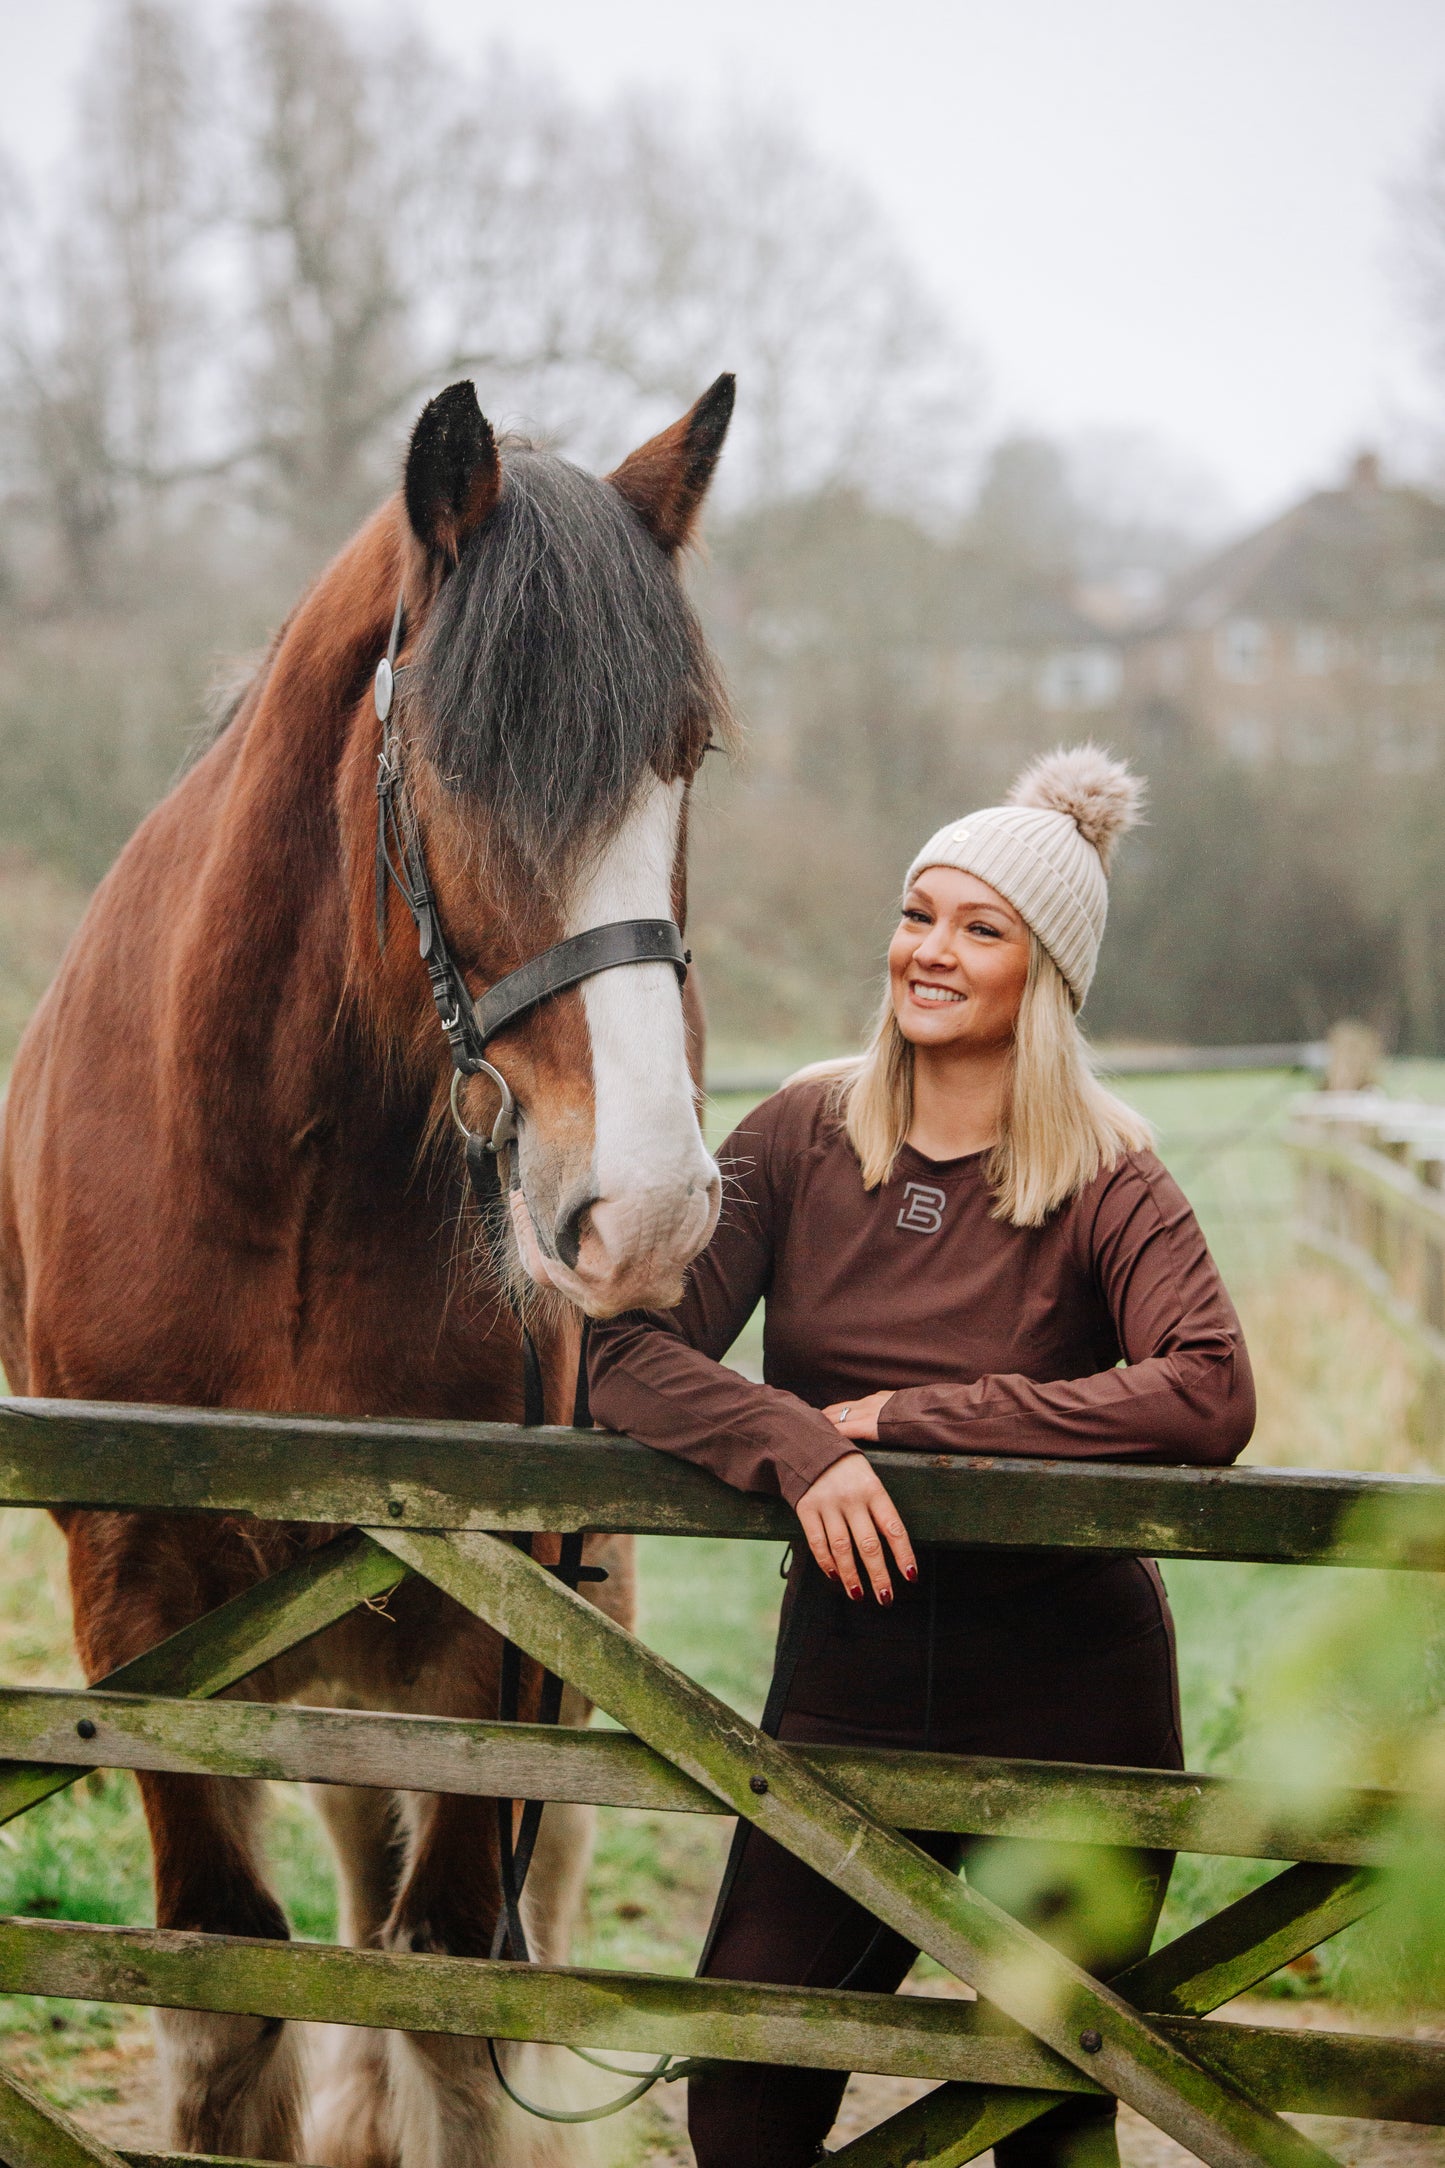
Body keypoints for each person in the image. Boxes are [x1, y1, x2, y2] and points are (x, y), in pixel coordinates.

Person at [587, 745, 1255, 2168]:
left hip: (1070, 1708)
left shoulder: (1109, 1173)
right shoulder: (798, 1138)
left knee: (1043, 2121)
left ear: (1046, 976)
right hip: (846, 1691)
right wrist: (793, 1448)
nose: (928, 952)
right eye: (916, 914)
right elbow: (621, 1353)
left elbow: (1204, 1395)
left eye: (977, 928)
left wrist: (911, 1422)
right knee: (746, 2098)